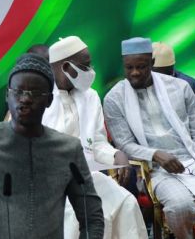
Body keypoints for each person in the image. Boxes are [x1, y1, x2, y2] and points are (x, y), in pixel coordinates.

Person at [0, 53, 104, 238]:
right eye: (18, 91)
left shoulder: (68, 150)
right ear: (7, 95)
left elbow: (92, 218)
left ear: (49, 100)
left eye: (35, 92)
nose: (25, 99)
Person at [45, 36, 145, 239]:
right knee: (81, 215)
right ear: (66, 67)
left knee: (126, 203)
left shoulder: (90, 96)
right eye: (86, 65)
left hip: (87, 177)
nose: (91, 71)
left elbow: (97, 142)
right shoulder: (41, 98)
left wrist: (116, 155)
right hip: (50, 184)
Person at [104, 37, 195, 239]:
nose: (134, 72)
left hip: (194, 158)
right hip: (156, 170)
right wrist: (156, 154)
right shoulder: (114, 98)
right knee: (180, 206)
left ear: (151, 62)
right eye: (129, 67)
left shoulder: (180, 87)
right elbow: (124, 144)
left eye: (141, 66)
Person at [153, 41, 195, 114]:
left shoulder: (188, 84)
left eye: (166, 73)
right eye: (158, 74)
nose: (163, 78)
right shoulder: (142, 83)